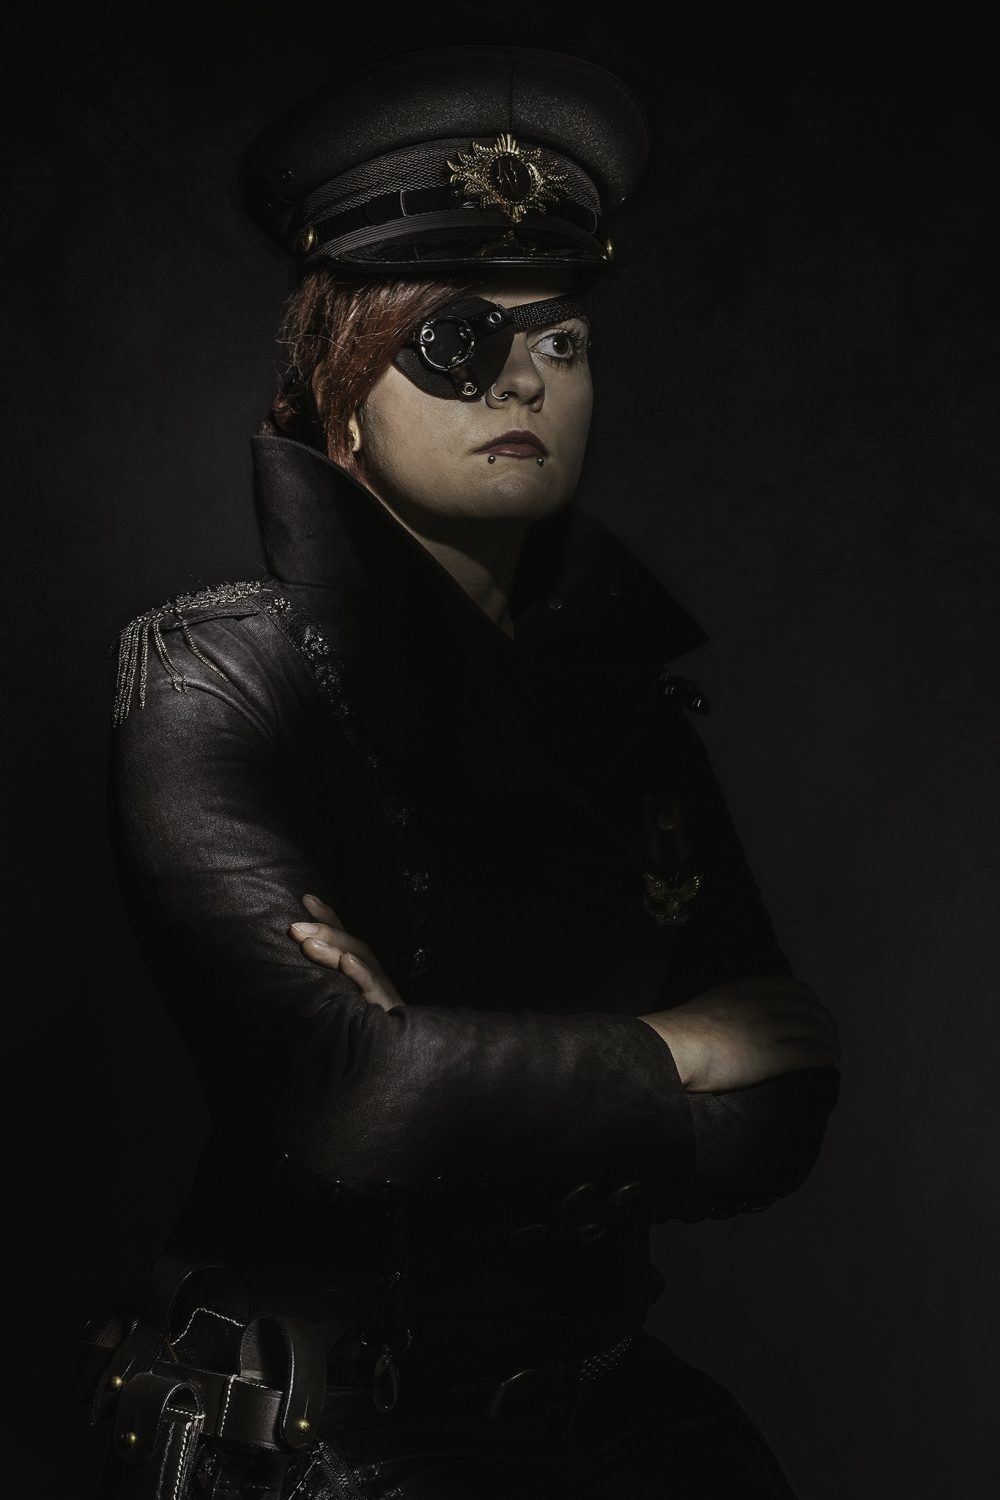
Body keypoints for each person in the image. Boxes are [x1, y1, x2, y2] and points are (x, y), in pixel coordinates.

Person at [81, 45, 840, 1499]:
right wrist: (678, 1051)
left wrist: (445, 1066)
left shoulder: (634, 721)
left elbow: (790, 1100)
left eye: (563, 339)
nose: (524, 376)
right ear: (342, 394)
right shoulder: (213, 675)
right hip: (324, 1448)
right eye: (454, 339)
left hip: (614, 1432)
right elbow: (344, 1093)